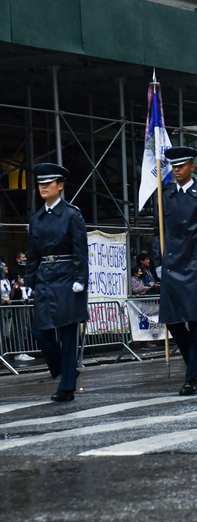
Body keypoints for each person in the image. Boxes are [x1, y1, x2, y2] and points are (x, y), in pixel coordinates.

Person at [154, 147, 197, 395]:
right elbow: (158, 233)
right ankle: (196, 358)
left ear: (192, 167)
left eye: (181, 166)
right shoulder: (166, 196)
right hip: (172, 266)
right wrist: (158, 263)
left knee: (195, 324)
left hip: (196, 267)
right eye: (173, 166)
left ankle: (192, 377)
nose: (176, 170)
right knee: (171, 321)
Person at [25, 163, 89, 402]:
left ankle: (67, 387)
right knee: (40, 332)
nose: (42, 187)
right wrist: (30, 279)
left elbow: (80, 250)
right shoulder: (37, 218)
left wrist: (80, 278)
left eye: (48, 183)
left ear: (60, 186)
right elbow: (33, 252)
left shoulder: (72, 214)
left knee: (68, 333)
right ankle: (66, 370)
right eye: (40, 183)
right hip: (44, 278)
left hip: (66, 276)